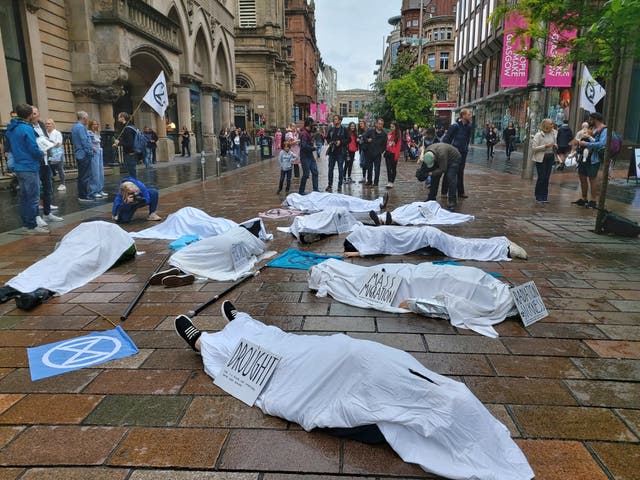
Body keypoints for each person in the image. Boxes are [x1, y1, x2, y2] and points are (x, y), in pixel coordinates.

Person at [174, 302, 534, 480]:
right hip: (356, 357)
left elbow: (330, 412)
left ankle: (206, 344)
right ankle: (243, 323)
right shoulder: (442, 390)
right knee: (285, 343)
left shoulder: (397, 425)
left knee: (278, 359)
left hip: (335, 375)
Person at [342, 223, 527, 261]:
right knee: (462, 244)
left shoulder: (376, 235)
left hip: (430, 237)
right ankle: (501, 244)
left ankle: (505, 249)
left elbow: (378, 249)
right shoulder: (375, 232)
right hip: (428, 237)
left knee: (463, 249)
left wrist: (357, 253)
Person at [5, 104, 48, 234]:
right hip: (29, 165)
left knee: (24, 197)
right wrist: (42, 153)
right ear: (29, 115)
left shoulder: (11, 128)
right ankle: (32, 225)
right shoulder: (26, 128)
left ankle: (26, 224)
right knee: (33, 197)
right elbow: (33, 147)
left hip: (19, 166)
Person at [31, 107, 63, 226]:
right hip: (36, 161)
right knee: (36, 190)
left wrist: (52, 151)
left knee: (48, 187)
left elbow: (46, 140)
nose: (34, 115)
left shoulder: (41, 125)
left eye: (35, 113)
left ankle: (47, 213)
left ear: (39, 114)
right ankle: (36, 216)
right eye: (32, 113)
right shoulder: (28, 127)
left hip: (46, 161)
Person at [416, 142, 461, 210]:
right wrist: (422, 173)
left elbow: (443, 169)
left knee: (451, 178)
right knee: (435, 177)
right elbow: (425, 167)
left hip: (454, 159)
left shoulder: (442, 154)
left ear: (434, 158)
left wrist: (431, 173)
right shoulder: (427, 153)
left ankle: (452, 201)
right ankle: (431, 197)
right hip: (440, 157)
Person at [576, 112, 607, 209]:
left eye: (590, 119)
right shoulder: (592, 128)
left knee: (592, 179)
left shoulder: (604, 130)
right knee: (582, 177)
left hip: (594, 158)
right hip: (583, 156)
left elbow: (602, 144)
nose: (589, 121)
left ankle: (593, 200)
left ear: (595, 119)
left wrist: (586, 144)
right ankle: (584, 198)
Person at [441, 108, 472, 198]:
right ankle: (444, 192)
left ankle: (460, 192)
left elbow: (467, 139)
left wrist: (466, 148)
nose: (470, 116)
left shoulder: (469, 126)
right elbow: (446, 139)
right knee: (449, 171)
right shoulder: (454, 126)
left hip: (463, 151)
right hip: (453, 152)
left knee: (460, 171)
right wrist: (448, 150)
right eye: (469, 114)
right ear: (463, 115)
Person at [530, 118, 557, 204]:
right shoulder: (539, 135)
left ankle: (544, 196)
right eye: (551, 124)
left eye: (552, 124)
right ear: (546, 125)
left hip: (550, 157)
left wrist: (555, 146)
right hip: (541, 158)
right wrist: (545, 146)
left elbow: (555, 143)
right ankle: (538, 196)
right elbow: (534, 148)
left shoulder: (553, 133)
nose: (552, 125)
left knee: (546, 177)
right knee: (541, 177)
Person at [71, 110, 94, 201]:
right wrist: (90, 151)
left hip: (79, 154)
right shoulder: (81, 127)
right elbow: (84, 141)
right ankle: (83, 195)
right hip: (84, 155)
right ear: (84, 118)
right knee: (84, 176)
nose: (88, 120)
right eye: (87, 118)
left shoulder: (75, 127)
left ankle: (82, 194)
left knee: (81, 176)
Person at [325, 114, 349, 192]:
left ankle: (339, 185)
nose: (334, 120)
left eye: (335, 119)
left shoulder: (344, 129)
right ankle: (330, 185)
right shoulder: (331, 129)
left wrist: (341, 142)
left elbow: (349, 139)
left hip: (340, 152)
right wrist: (330, 142)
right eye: (334, 119)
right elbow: (327, 138)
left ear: (340, 120)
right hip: (332, 152)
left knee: (340, 169)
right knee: (330, 169)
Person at [113, 111, 139, 179]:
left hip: (130, 154)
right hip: (131, 153)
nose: (117, 118)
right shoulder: (130, 127)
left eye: (119, 117)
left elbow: (129, 144)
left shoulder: (128, 129)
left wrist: (119, 143)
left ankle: (134, 187)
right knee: (131, 172)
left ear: (122, 118)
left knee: (132, 173)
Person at [363, 118, 387, 186]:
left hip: (377, 154)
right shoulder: (371, 131)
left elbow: (384, 145)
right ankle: (369, 181)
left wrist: (380, 151)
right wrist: (367, 140)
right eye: (379, 124)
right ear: (376, 124)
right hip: (369, 153)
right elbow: (364, 137)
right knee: (369, 168)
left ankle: (376, 182)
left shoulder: (384, 134)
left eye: (382, 124)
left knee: (377, 169)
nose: (380, 125)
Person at [298, 117, 318, 195]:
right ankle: (301, 191)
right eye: (312, 124)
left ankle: (315, 190)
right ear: (309, 124)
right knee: (306, 174)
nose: (313, 125)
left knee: (315, 172)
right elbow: (304, 145)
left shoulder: (308, 132)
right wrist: (313, 148)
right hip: (305, 156)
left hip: (310, 156)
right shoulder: (304, 133)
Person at [44, 118, 66, 192]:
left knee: (60, 168)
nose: (47, 125)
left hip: (57, 152)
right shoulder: (45, 133)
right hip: (49, 153)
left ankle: (63, 184)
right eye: (46, 124)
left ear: (53, 125)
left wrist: (51, 144)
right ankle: (50, 183)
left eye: (49, 124)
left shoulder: (57, 133)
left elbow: (59, 142)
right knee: (49, 167)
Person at [88, 119, 107, 199]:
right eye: (94, 124)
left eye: (96, 124)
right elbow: (88, 143)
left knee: (100, 172)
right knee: (95, 172)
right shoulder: (89, 133)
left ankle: (100, 189)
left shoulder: (97, 133)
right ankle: (94, 191)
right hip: (94, 153)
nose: (95, 126)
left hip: (99, 152)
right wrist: (92, 148)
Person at [384, 121, 402, 189]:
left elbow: (398, 146)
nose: (391, 128)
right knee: (388, 168)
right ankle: (389, 181)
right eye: (390, 127)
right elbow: (387, 143)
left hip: (394, 154)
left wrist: (396, 155)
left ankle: (392, 181)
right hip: (388, 153)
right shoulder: (389, 134)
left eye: (393, 127)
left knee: (393, 168)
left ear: (396, 127)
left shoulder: (398, 135)